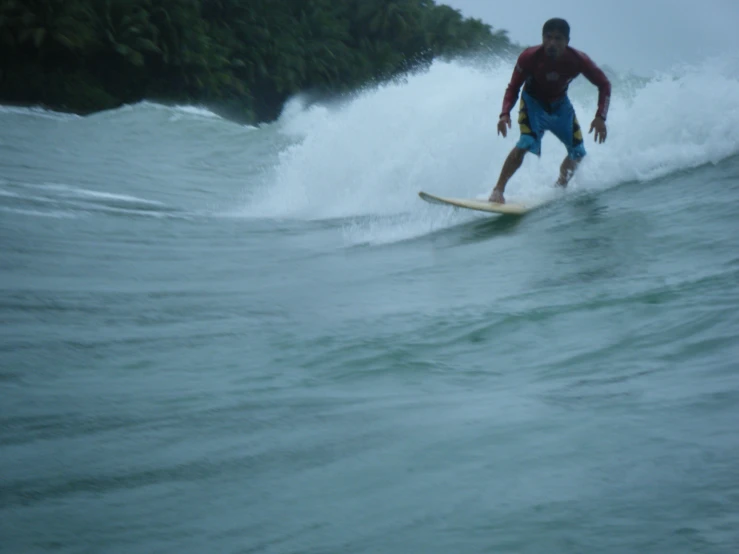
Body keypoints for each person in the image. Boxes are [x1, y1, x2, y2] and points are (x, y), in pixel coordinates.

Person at [489, 18, 611, 204]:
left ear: (567, 41)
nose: (552, 43)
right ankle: (498, 190)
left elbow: (604, 84)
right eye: (548, 37)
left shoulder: (579, 60)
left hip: (561, 106)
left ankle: (559, 188)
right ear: (542, 38)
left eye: (558, 38)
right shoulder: (529, 57)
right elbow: (513, 87)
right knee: (526, 141)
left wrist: (600, 117)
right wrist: (504, 114)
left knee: (578, 152)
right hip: (533, 104)